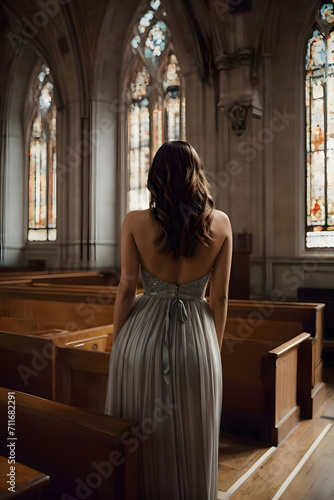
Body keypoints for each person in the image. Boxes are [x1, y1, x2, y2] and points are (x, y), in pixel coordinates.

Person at [105, 140, 232, 500]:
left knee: (140, 430)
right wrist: (213, 349)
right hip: (199, 337)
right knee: (194, 431)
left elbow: (127, 287)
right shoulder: (221, 224)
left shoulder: (135, 222)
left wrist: (120, 341)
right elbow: (219, 298)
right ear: (197, 175)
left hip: (141, 339)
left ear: (156, 176)